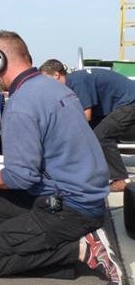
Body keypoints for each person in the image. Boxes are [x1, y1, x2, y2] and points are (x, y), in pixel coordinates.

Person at [0, 31, 123, 285]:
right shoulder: (52, 87)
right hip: (80, 196)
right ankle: (39, 237)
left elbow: (20, 177)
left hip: (71, 209)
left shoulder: (20, 104)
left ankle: (81, 249)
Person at [40, 59, 135, 192]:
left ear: (56, 75)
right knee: (90, 135)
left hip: (130, 102)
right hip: (120, 104)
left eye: (45, 79)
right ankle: (87, 173)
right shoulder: (72, 84)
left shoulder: (78, 81)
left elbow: (86, 116)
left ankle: (121, 180)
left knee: (102, 137)